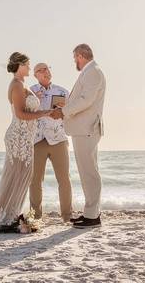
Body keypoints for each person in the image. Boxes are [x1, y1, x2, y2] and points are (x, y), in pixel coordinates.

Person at [0, 52, 53, 234]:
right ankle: (6, 218)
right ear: (20, 65)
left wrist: (37, 99)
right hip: (18, 138)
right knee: (16, 176)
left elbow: (27, 106)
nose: (30, 68)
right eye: (28, 65)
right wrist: (44, 113)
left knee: (23, 175)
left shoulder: (22, 85)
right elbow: (21, 114)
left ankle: (11, 215)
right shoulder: (16, 85)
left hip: (25, 138)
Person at [50, 43, 106, 228]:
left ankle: (93, 216)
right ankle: (90, 213)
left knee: (89, 172)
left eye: (75, 57)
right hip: (83, 129)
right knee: (86, 171)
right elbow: (81, 99)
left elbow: (86, 100)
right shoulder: (89, 73)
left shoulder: (93, 72)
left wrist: (64, 111)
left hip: (87, 129)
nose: (75, 61)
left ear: (81, 55)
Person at [29, 63, 73, 223]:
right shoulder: (30, 91)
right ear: (35, 75)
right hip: (37, 140)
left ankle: (67, 216)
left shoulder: (62, 91)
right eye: (41, 70)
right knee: (34, 181)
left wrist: (62, 113)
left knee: (64, 179)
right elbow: (24, 113)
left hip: (59, 139)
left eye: (47, 68)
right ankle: (35, 217)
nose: (45, 72)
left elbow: (71, 113)